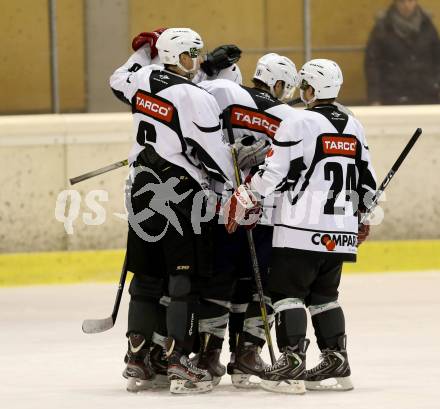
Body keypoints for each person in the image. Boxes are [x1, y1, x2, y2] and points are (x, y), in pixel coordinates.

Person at [224, 59, 376, 394]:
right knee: (324, 296)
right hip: (340, 230)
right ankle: (337, 359)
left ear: (311, 89)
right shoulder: (353, 123)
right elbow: (368, 180)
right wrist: (362, 215)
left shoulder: (299, 120)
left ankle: (291, 363)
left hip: (301, 229)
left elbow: (276, 171)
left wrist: (246, 194)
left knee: (287, 294)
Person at [109, 27, 236, 394]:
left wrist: (144, 51)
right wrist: (232, 189)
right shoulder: (192, 95)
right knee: (184, 278)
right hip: (180, 193)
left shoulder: (142, 77)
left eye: (197, 53)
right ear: (174, 56)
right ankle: (179, 362)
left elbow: (118, 80)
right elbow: (214, 156)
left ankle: (138, 359)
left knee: (147, 276)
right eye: (189, 54)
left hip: (142, 187)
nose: (195, 61)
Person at [194, 53, 298, 388]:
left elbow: (190, 102)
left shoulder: (225, 91)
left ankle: (208, 356)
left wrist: (206, 69)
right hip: (264, 209)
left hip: (222, 204)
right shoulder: (288, 115)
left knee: (219, 279)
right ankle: (247, 355)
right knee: (259, 284)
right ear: (279, 83)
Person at [365, 0, 440, 105]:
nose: (407, 5)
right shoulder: (382, 27)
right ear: (396, 3)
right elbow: (373, 64)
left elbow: (437, 59)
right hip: (392, 95)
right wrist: (374, 97)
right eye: (402, 2)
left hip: (426, 93)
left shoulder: (427, 25)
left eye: (410, 1)